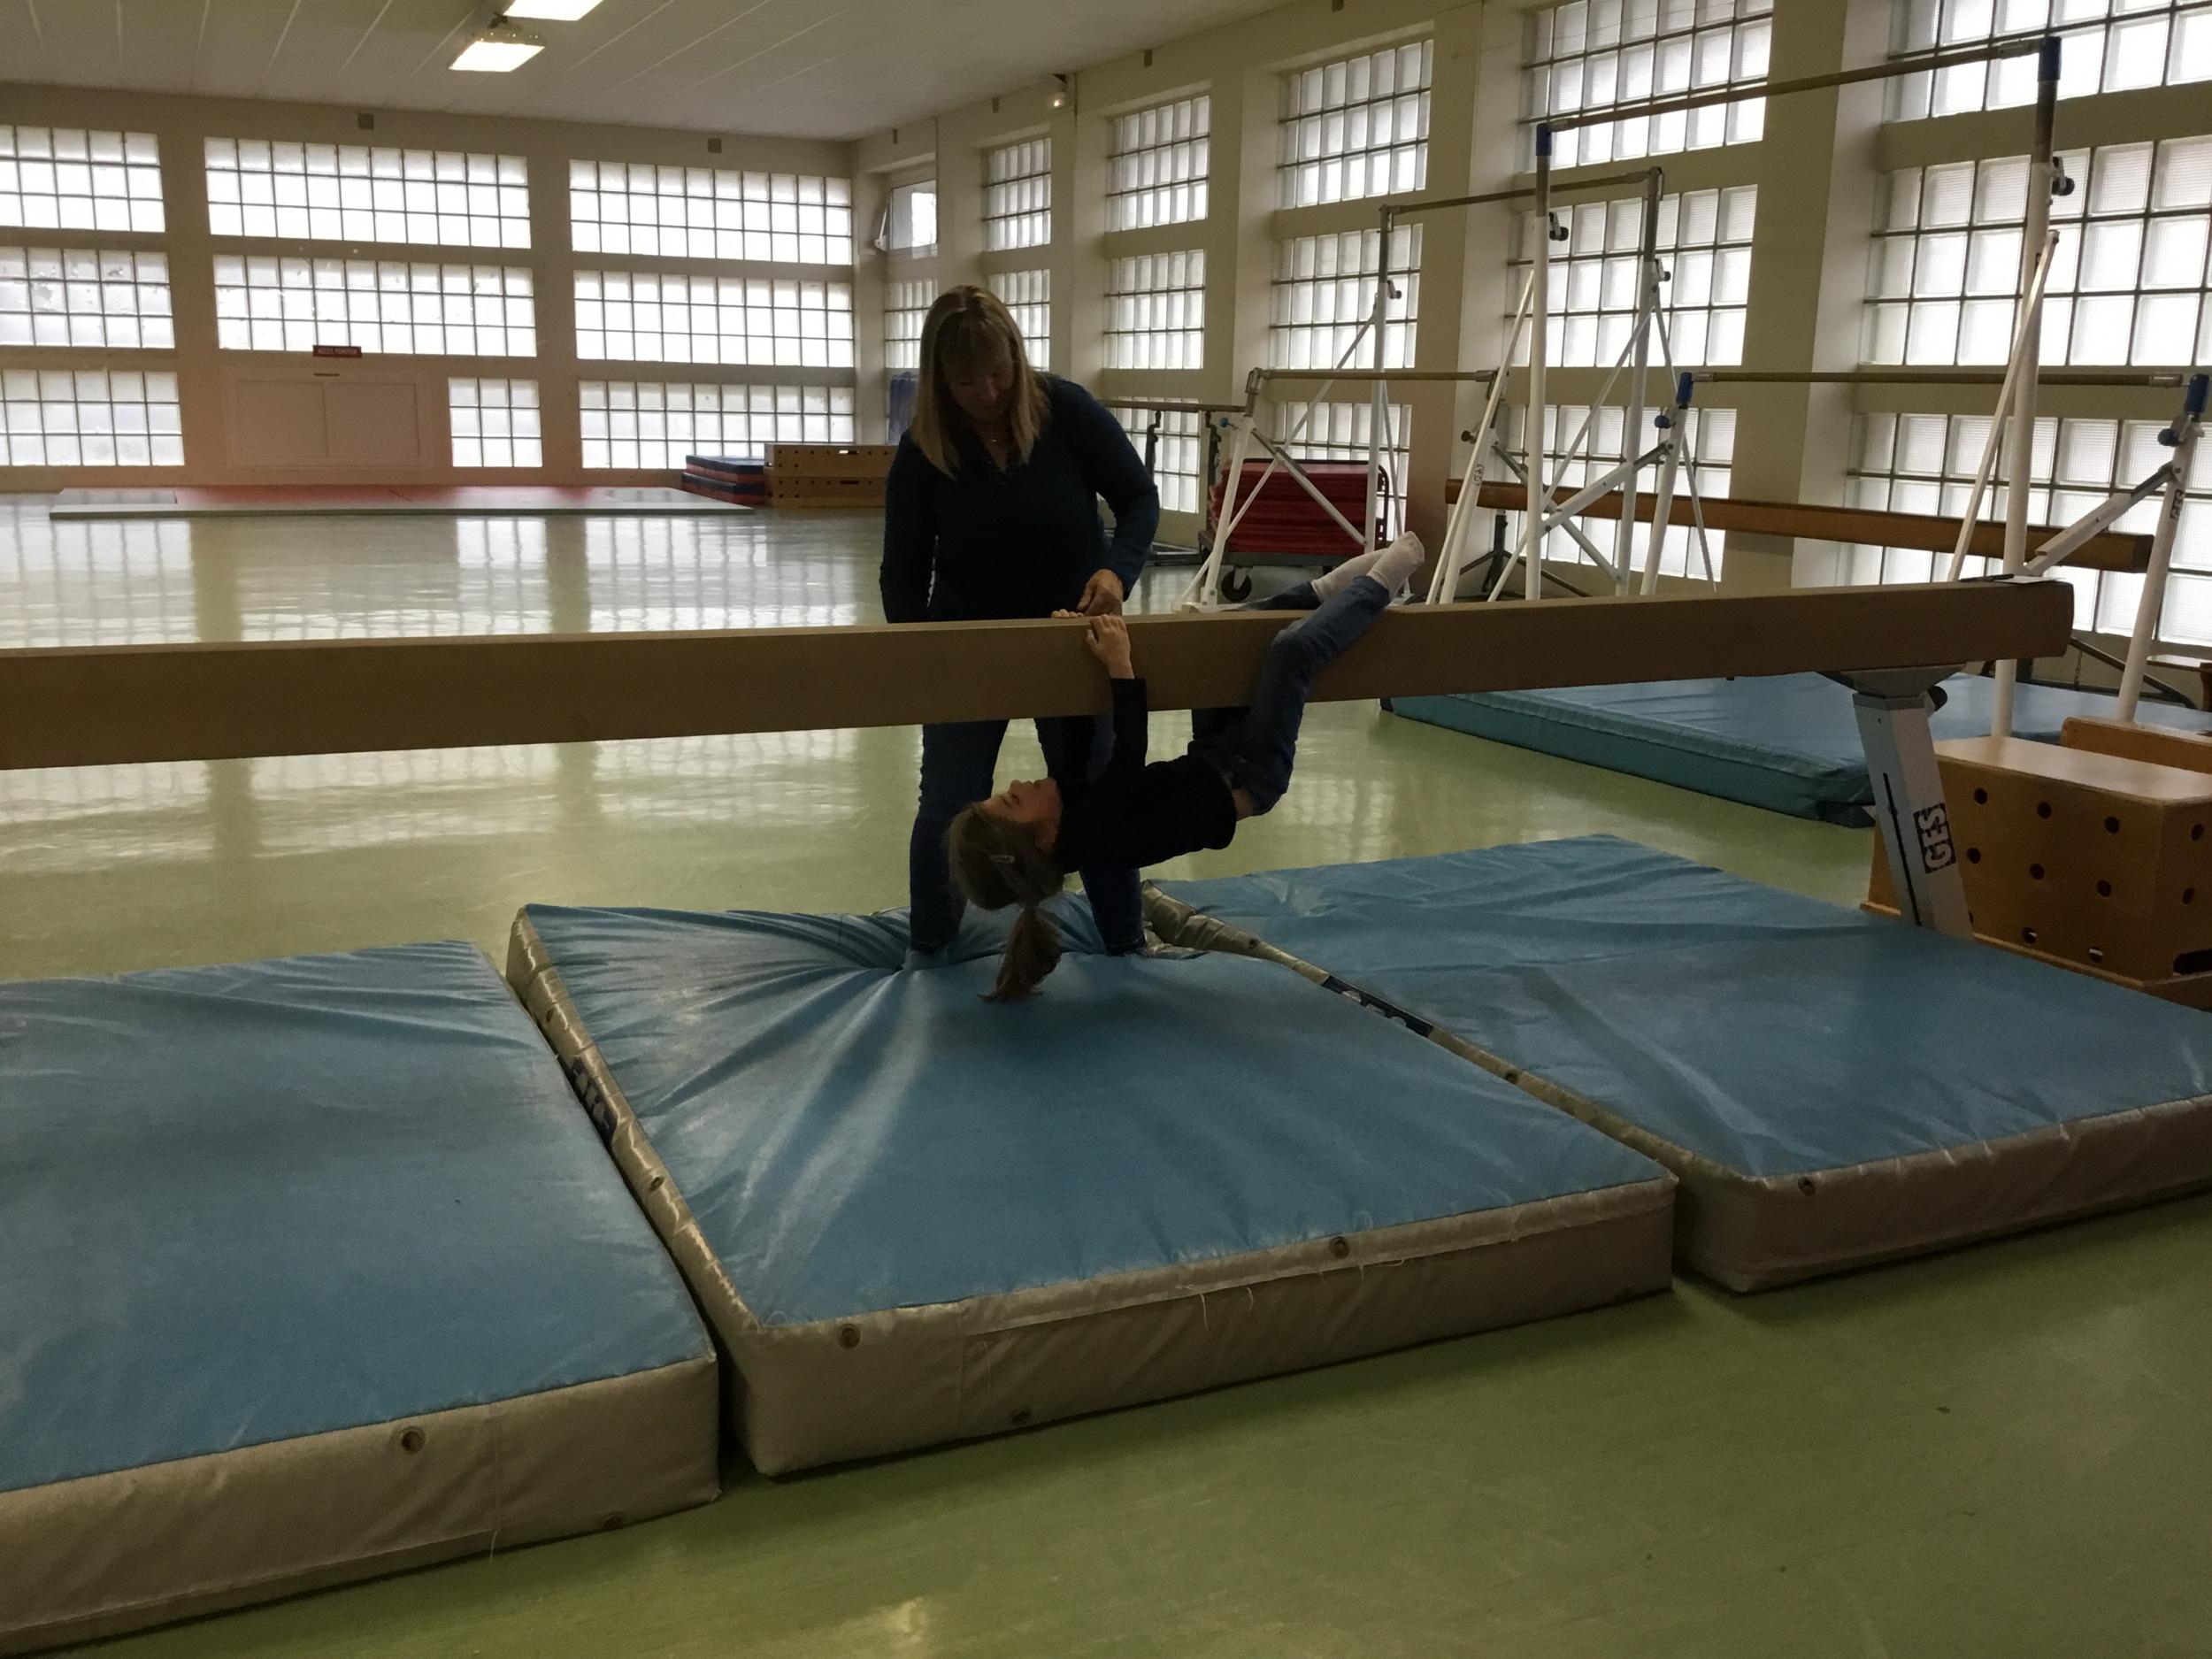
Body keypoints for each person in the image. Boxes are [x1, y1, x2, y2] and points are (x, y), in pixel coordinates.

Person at [946, 532, 1426, 1001]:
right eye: (1013, 799)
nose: (1018, 782)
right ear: (1043, 837)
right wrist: (1119, 666)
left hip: (1213, 757)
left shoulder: (1070, 822)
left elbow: (1077, 737)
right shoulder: (1097, 835)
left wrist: (1071, 636)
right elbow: (1128, 750)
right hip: (1253, 774)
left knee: (1216, 641)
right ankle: (1384, 582)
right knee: (1290, 654)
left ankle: (1324, 591)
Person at [881, 285, 1160, 960]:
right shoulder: (925, 450)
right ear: (940, 380)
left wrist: (1117, 571)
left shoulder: (1065, 410)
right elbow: (902, 572)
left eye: (999, 373)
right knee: (949, 802)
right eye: (967, 381)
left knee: (1094, 796)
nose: (987, 392)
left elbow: (1138, 497)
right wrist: (920, 663)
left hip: (1072, 642)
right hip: (967, 647)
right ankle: (929, 948)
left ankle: (1126, 941)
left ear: (1017, 357)